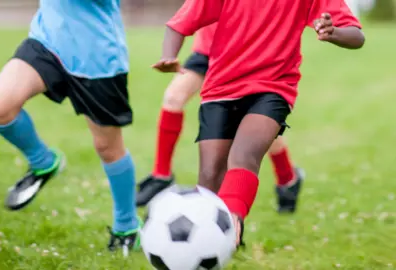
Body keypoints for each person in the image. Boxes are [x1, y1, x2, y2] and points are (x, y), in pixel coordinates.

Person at [153, 0, 365, 247]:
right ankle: (211, 239)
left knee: (244, 156)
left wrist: (334, 32)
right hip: (220, 88)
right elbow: (180, 22)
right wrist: (168, 55)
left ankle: (230, 233)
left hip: (273, 87)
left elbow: (356, 36)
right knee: (210, 175)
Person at [0, 0, 140, 253]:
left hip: (97, 57)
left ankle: (127, 225)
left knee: (108, 147)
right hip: (48, 43)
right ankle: (43, 161)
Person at [137, 23, 305, 215]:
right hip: (207, 51)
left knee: (257, 127)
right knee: (173, 97)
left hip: (242, 54)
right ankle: (161, 175)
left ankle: (287, 179)